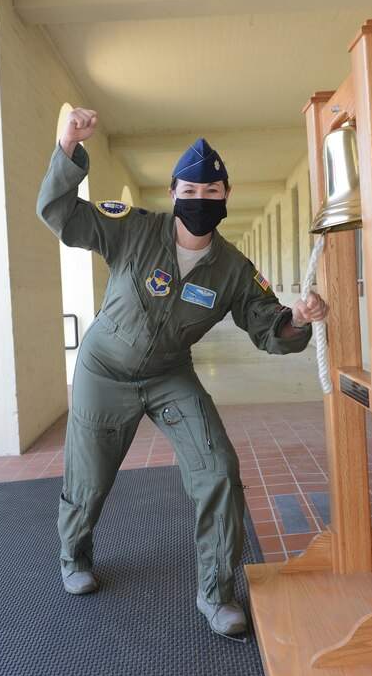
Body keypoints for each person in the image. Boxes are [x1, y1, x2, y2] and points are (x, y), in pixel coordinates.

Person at [37, 107, 328, 637]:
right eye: (190, 192)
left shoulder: (234, 269)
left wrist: (298, 319)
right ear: (172, 193)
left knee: (218, 468)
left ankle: (216, 593)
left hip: (170, 374)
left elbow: (269, 328)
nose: (200, 201)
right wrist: (67, 148)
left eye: (211, 192)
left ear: (226, 195)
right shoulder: (131, 230)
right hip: (104, 371)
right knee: (90, 478)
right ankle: (73, 556)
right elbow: (59, 214)